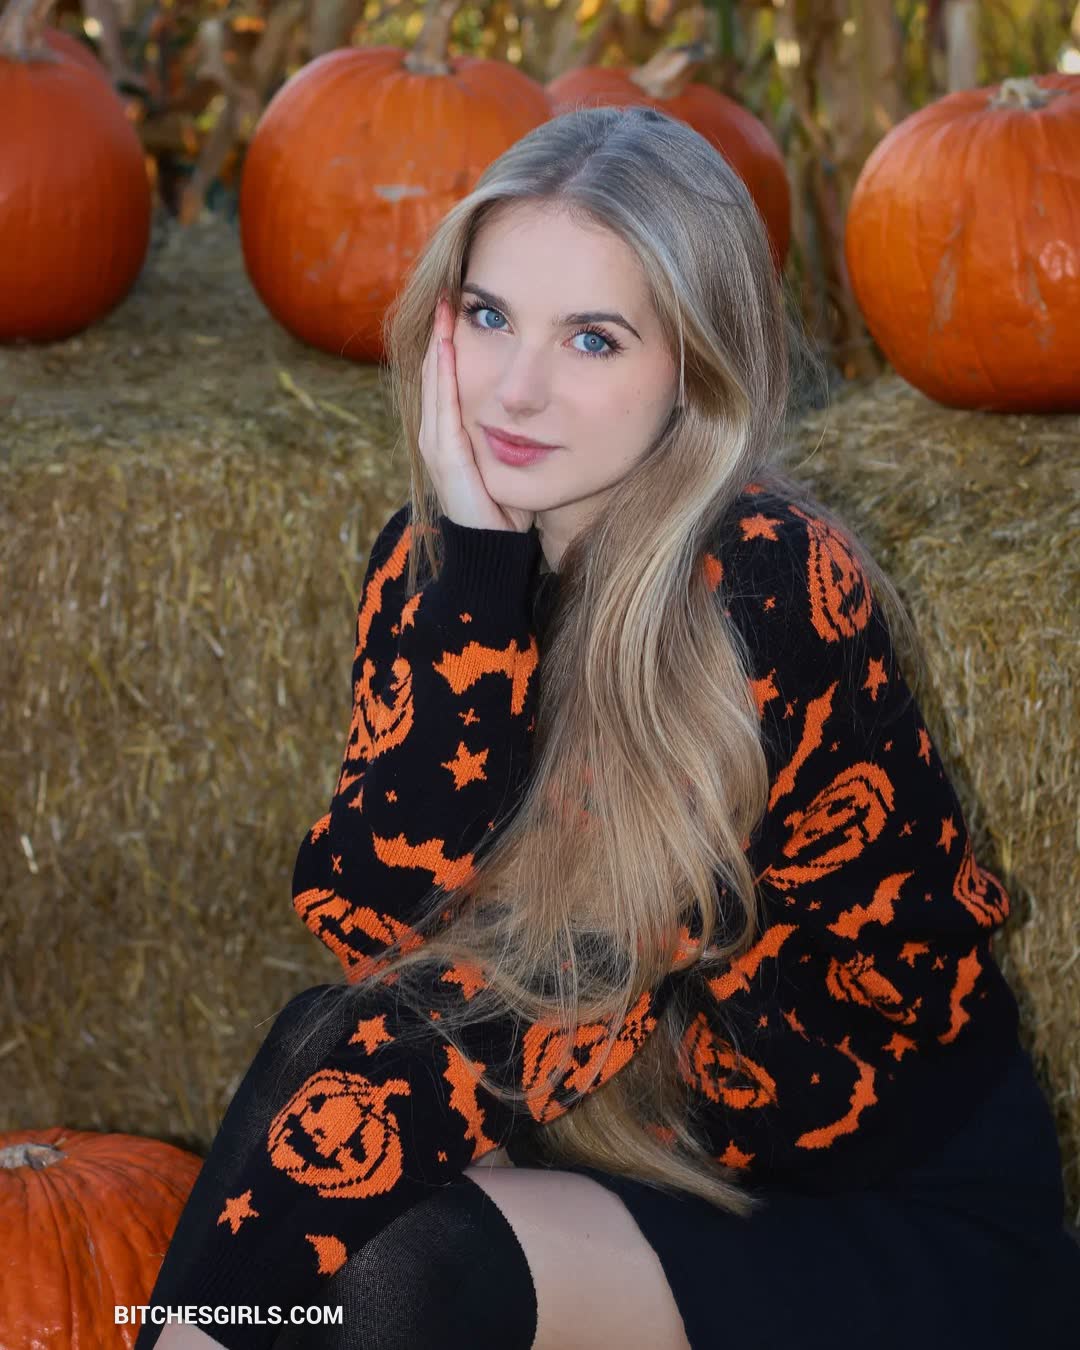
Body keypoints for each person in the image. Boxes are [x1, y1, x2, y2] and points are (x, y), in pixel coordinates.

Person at [136, 105, 1079, 1350]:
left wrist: (211, 1323)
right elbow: (377, 922)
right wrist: (474, 573)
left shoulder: (771, 590)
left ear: (697, 368)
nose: (517, 388)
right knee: (323, 1049)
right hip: (649, 1155)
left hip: (879, 1221)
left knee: (395, 1272)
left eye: (593, 338)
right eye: (489, 317)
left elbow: (541, 1000)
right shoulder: (438, 563)